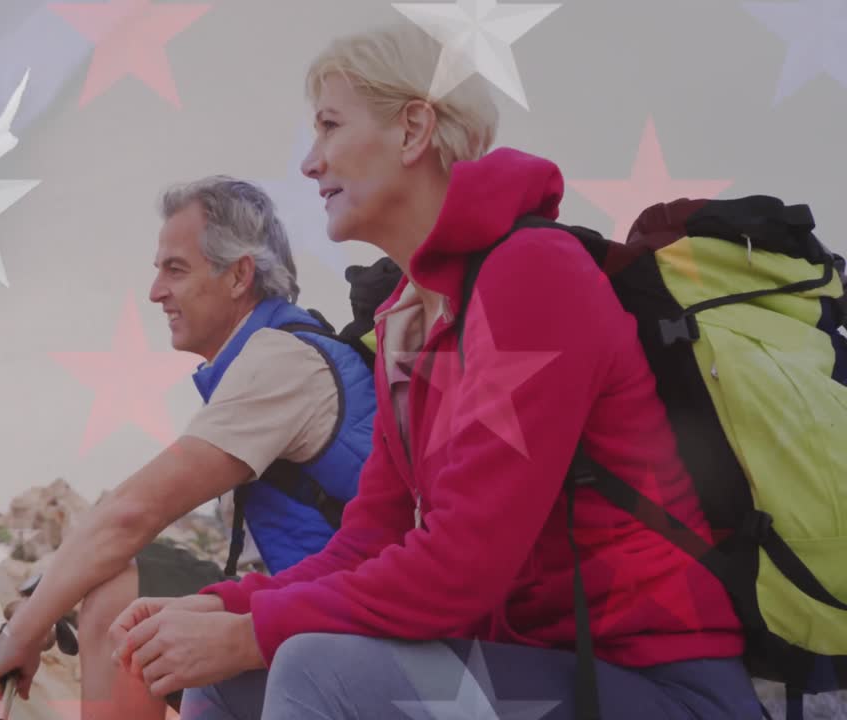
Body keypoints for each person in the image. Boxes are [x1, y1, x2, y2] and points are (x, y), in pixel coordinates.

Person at [109, 22, 766, 719]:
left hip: (658, 685)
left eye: (330, 126)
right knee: (223, 676)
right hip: (538, 669)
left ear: (414, 130)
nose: (310, 162)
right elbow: (368, 542)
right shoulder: (410, 318)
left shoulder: (534, 277)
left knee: (307, 665)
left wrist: (255, 632)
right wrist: (217, 609)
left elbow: (460, 569)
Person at [0, 176, 377, 720]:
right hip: (315, 620)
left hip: (344, 638)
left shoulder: (281, 362)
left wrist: (25, 631)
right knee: (138, 583)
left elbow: (132, 514)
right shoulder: (268, 356)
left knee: (125, 584)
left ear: (239, 275)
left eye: (176, 269)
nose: (155, 291)